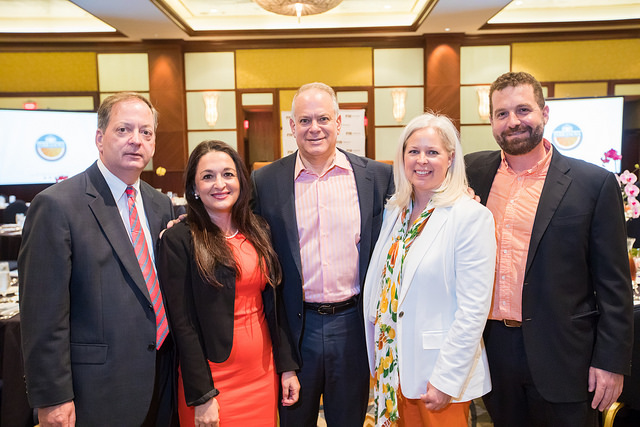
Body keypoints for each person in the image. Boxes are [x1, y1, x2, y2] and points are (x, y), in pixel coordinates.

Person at [465, 71, 634, 427]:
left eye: (523, 110)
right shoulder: (471, 172)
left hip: (566, 354)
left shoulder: (593, 183)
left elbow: (614, 286)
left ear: (545, 113)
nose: (513, 122)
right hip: (494, 349)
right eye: (502, 114)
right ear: (492, 121)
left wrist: (611, 362)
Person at [18, 92, 176, 426]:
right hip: (96, 391)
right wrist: (53, 398)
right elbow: (43, 317)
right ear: (99, 138)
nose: (136, 140)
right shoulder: (57, 206)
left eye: (146, 132)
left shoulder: (159, 204)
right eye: (124, 130)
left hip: (161, 379)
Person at [251, 82, 395, 426]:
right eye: (305, 121)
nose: (314, 128)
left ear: (339, 122)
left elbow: (407, 224)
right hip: (296, 327)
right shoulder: (265, 181)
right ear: (292, 126)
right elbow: (240, 229)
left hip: (353, 324)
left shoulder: (377, 176)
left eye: (323, 119)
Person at [362, 112, 496, 427]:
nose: (422, 160)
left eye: (433, 152)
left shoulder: (470, 216)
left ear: (450, 158)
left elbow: (473, 310)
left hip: (435, 374)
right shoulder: (395, 211)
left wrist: (446, 379)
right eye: (414, 151)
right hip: (391, 366)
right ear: (402, 157)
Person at [157, 140, 300, 427]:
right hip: (213, 379)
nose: (219, 184)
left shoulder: (259, 230)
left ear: (240, 180)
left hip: (262, 372)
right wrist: (202, 396)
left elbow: (275, 305)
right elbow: (182, 324)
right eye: (207, 176)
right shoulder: (180, 239)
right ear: (194, 188)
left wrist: (287, 368)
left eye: (228, 174)